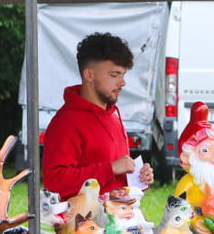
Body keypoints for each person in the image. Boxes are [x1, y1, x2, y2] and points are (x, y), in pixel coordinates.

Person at [43, 32, 154, 200]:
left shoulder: (112, 116)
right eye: (114, 75)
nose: (122, 83)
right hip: (85, 224)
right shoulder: (66, 122)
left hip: (119, 218)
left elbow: (114, 179)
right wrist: (109, 169)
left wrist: (138, 178)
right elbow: (55, 182)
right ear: (89, 75)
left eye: (123, 75)